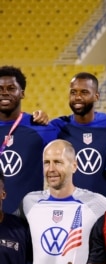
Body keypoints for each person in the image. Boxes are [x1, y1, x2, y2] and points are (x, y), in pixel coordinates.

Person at [50, 72, 106, 201]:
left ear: (96, 96)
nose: (77, 97)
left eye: (84, 92)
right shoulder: (58, 126)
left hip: (105, 208)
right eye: (73, 92)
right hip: (70, 208)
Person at [0, 65, 59, 214]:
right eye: (0, 88)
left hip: (28, 218)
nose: (4, 93)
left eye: (11, 88)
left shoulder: (43, 128)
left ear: (22, 93)